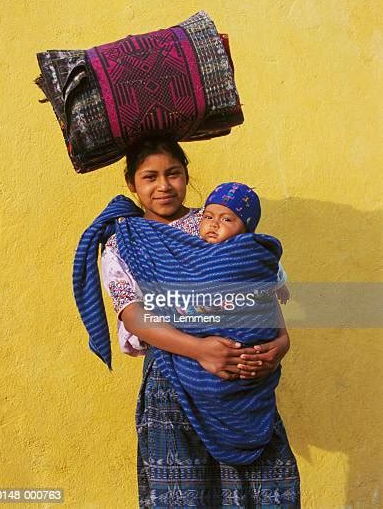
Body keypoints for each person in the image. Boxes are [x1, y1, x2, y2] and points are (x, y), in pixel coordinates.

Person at [100, 135, 300, 507]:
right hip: (173, 382)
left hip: (241, 385)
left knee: (266, 483)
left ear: (187, 175)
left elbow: (257, 283)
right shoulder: (124, 241)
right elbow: (133, 313)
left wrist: (282, 341)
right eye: (150, 177)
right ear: (132, 184)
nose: (163, 186)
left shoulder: (217, 222)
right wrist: (200, 350)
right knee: (185, 494)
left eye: (173, 174)